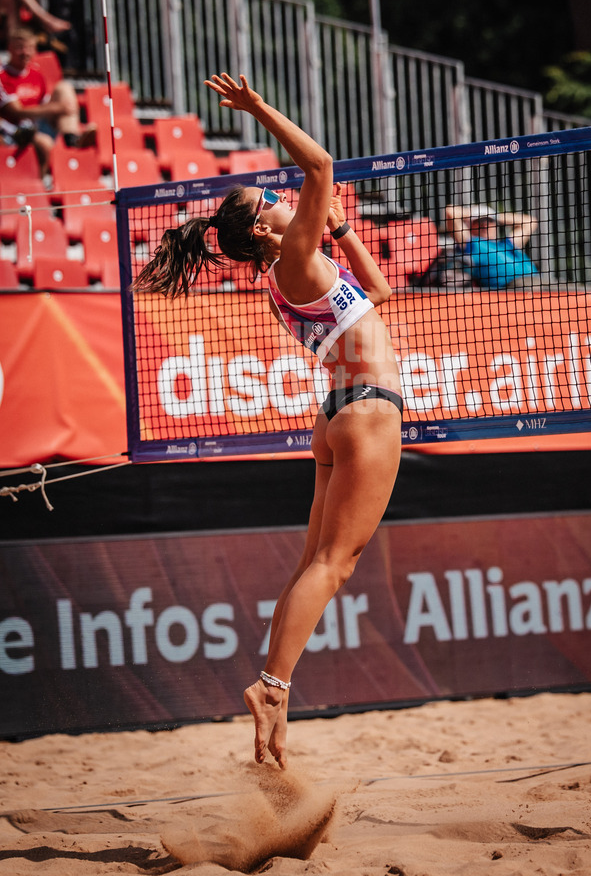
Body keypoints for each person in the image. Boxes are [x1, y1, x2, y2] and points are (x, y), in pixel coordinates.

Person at [133, 72, 403, 770]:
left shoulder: (295, 271)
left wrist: (341, 225)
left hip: (338, 413)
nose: (285, 201)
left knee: (313, 564)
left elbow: (377, 292)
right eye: (272, 202)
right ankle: (272, 688)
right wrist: (256, 109)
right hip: (367, 408)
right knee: (334, 566)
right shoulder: (294, 261)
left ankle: (272, 703)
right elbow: (320, 164)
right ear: (261, 229)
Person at [0, 27, 96, 176]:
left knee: (64, 88)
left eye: (29, 48)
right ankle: (40, 181)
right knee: (44, 142)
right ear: (10, 49)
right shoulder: (3, 75)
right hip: (14, 131)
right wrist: (56, 108)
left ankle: (72, 138)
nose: (25, 53)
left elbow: (45, 104)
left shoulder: (36, 73)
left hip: (38, 124)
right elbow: (17, 111)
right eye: (20, 48)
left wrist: (59, 108)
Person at [443, 203, 542, 289]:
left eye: (489, 221)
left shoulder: (507, 244)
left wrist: (495, 215)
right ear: (471, 226)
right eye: (479, 221)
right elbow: (451, 211)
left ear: (495, 224)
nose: (485, 225)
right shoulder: (471, 243)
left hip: (536, 281)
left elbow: (530, 222)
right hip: (512, 287)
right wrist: (474, 213)